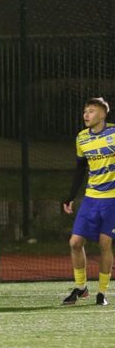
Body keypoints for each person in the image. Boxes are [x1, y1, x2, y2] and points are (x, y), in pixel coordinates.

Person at [61, 97, 115, 306]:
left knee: (105, 244)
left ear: (103, 114)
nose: (86, 115)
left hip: (112, 200)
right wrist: (70, 196)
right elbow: (80, 168)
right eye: (85, 111)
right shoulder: (82, 138)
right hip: (91, 198)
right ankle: (81, 288)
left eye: (91, 111)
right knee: (75, 242)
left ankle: (102, 292)